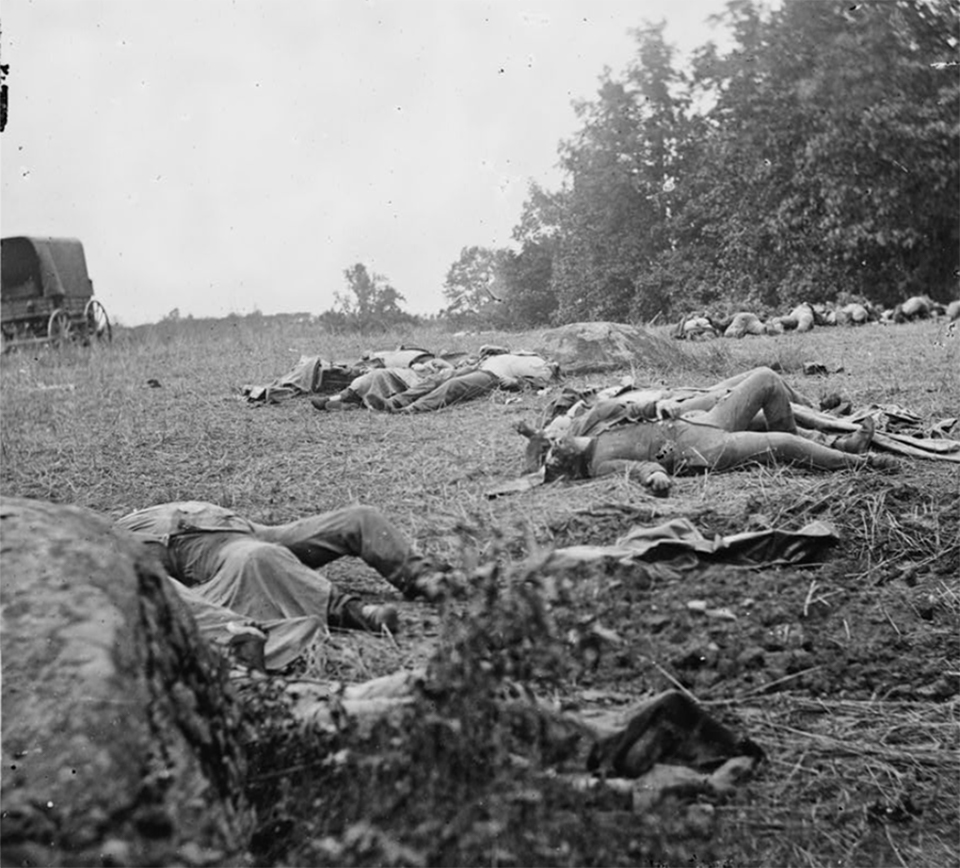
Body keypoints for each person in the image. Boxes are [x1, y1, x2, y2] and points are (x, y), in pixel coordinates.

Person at [117, 501, 451, 668]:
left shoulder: (117, 520)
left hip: (241, 527)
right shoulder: (108, 548)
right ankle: (353, 612)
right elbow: (169, 594)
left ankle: (422, 577)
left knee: (359, 516)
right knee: (259, 558)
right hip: (219, 555)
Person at [521, 367, 897, 495]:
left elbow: (635, 408)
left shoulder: (597, 427)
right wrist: (659, 471)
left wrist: (659, 409)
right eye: (553, 450)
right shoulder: (599, 463)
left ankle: (821, 444)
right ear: (562, 465)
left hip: (702, 422)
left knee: (766, 379)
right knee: (781, 443)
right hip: (705, 450)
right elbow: (644, 471)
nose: (559, 442)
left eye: (554, 441)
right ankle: (860, 464)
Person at [314, 348, 559, 414]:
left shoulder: (539, 365)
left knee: (451, 387)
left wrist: (511, 383)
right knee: (434, 381)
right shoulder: (518, 354)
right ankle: (394, 402)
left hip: (491, 377)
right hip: (479, 367)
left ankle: (407, 410)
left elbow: (533, 384)